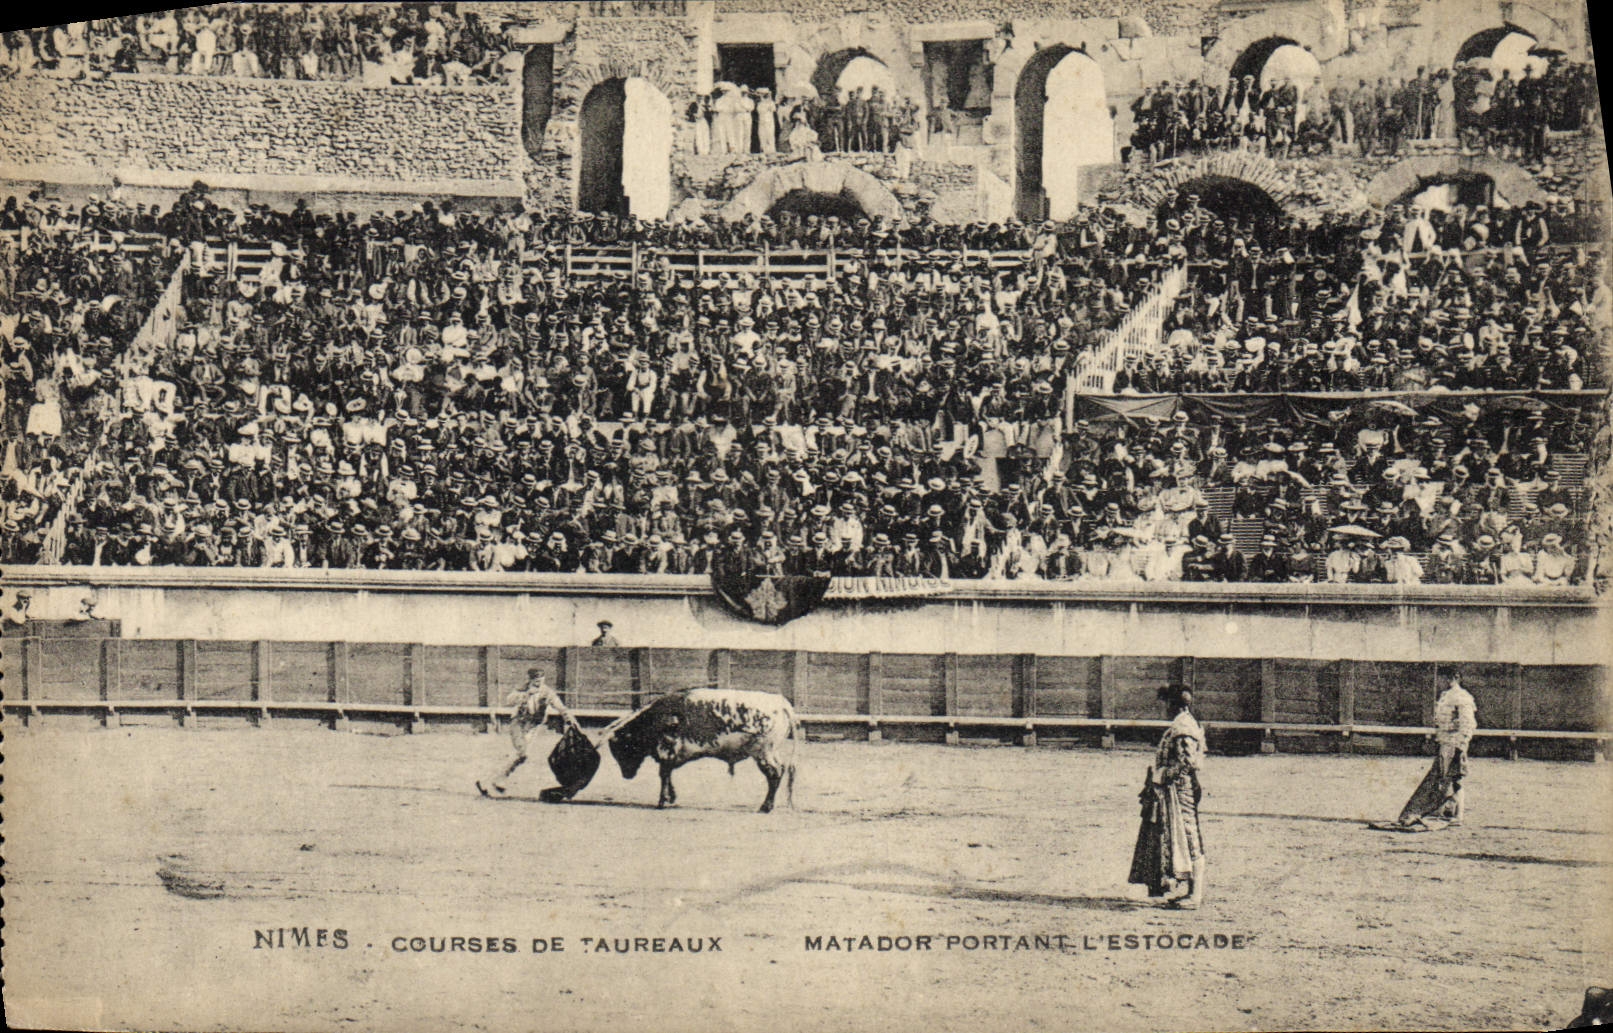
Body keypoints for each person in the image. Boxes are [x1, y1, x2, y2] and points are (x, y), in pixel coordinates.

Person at [1129, 685, 1208, 909]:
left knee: (1190, 835)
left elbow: (1186, 763)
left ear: (1174, 704)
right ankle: (1192, 892)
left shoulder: (1183, 726)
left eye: (1166, 703)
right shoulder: (1183, 723)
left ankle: (1195, 895)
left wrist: (1161, 776)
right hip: (1177, 787)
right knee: (1184, 835)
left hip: (1180, 789)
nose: (1163, 708)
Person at [1395, 666, 1476, 829]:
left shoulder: (1462, 697)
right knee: (1446, 778)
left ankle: (1458, 815)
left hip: (1455, 743)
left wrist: (1461, 745)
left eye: (1443, 678)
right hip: (1445, 743)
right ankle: (1450, 813)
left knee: (1454, 778)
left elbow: (1468, 724)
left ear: (1454, 678)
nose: (1439, 682)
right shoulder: (1446, 696)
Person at [477, 668, 569, 797]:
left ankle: (494, 780)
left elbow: (560, 706)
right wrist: (526, 694)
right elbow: (509, 700)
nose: (538, 681)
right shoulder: (522, 689)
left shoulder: (547, 692)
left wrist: (569, 719)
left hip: (533, 728)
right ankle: (489, 781)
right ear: (530, 679)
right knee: (521, 753)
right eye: (535, 679)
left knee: (521, 756)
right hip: (519, 724)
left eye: (540, 679)